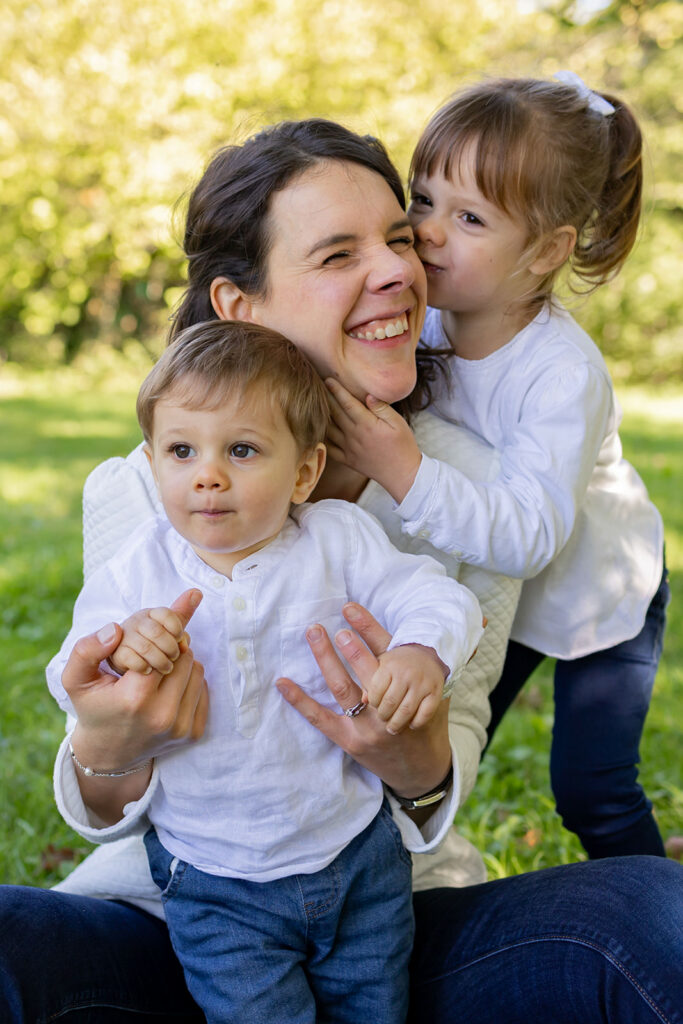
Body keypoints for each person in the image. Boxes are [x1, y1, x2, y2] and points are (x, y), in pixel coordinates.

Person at [1, 118, 681, 1024]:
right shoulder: (146, 490)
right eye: (337, 254)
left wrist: (416, 761)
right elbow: (107, 788)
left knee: (645, 914)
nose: (400, 269)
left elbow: (450, 761)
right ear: (240, 306)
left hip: (386, 926)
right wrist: (108, 747)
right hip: (177, 920)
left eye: (399, 237)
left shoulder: (470, 495)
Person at [47, 319, 485, 1023]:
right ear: (152, 459)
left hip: (356, 862)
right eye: (180, 451)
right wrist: (122, 651)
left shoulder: (335, 542)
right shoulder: (141, 568)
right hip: (214, 881)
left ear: (305, 472)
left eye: (242, 450)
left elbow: (439, 596)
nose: (207, 474)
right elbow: (70, 677)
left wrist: (418, 650)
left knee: (376, 1009)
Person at [324, 75, 669, 860]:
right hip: (491, 590)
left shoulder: (559, 374)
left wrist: (404, 469)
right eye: (422, 199)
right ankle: (393, 874)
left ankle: (652, 911)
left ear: (546, 250)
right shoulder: (423, 314)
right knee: (440, 733)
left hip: (596, 591)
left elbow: (529, 536)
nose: (429, 232)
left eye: (470, 217)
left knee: (594, 786)